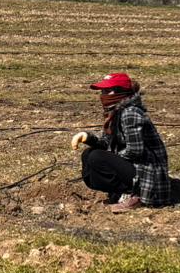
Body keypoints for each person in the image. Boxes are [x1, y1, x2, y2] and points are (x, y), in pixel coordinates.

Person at [72, 72, 170, 211]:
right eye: (102, 91)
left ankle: (137, 194)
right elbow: (106, 143)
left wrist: (112, 157)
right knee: (88, 155)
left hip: (148, 173)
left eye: (107, 91)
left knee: (97, 157)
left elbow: (135, 151)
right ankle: (121, 192)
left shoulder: (130, 113)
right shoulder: (115, 112)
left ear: (120, 92)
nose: (103, 95)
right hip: (136, 167)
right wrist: (88, 138)